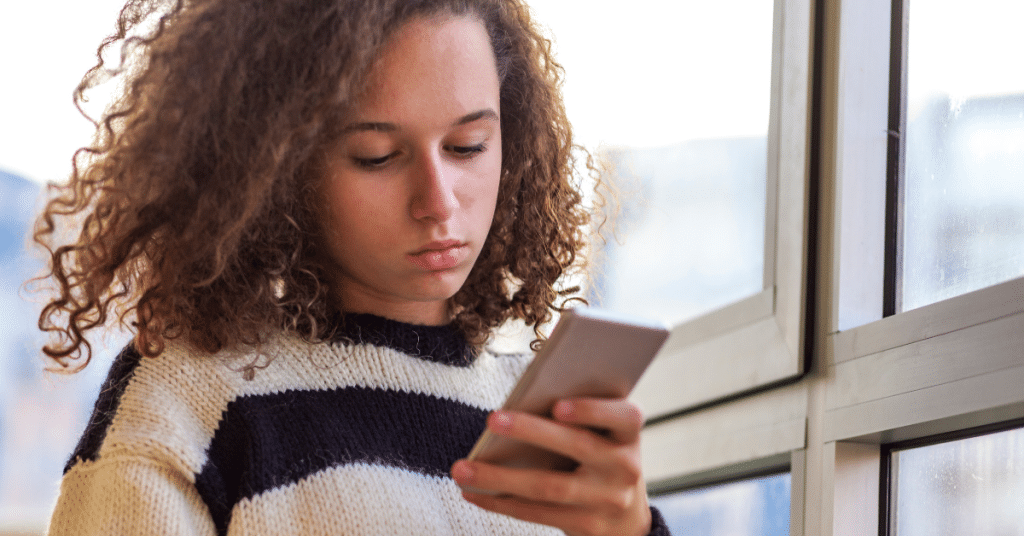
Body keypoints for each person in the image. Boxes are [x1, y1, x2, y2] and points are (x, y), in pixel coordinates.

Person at [35, 0, 672, 534]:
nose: (439, 201)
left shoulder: (533, 413)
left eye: (467, 146)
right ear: (279, 166)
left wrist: (634, 532)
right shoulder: (186, 409)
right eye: (376, 155)